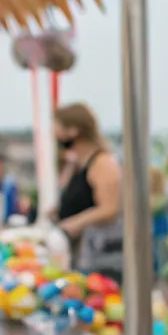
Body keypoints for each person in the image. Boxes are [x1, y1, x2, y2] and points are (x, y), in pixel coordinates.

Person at [54, 103, 124, 282]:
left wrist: (74, 224)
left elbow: (109, 208)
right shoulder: (78, 163)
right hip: (82, 255)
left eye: (57, 127)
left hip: (101, 257)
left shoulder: (102, 163)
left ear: (73, 130)